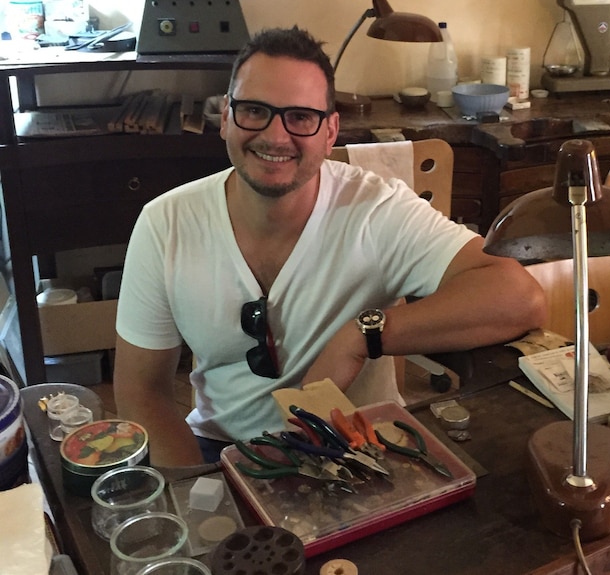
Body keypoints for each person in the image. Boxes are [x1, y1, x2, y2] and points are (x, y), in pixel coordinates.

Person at [113, 27, 546, 467]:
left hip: (357, 448)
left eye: (300, 117)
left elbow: (519, 296)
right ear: (225, 117)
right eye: (254, 110)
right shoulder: (165, 223)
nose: (276, 137)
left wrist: (361, 335)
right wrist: (201, 489)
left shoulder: (377, 209)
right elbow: (140, 390)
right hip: (223, 450)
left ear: (330, 131)